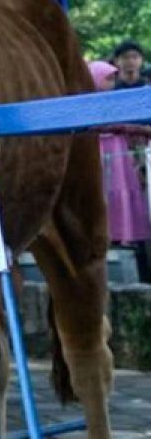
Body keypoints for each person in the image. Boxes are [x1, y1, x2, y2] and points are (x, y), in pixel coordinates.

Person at [89, 60, 151, 278]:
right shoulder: (87, 103)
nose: (113, 82)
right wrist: (133, 127)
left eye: (114, 78)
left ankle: (126, 236)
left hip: (120, 157)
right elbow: (103, 124)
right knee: (107, 194)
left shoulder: (115, 101)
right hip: (101, 153)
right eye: (108, 78)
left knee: (123, 194)